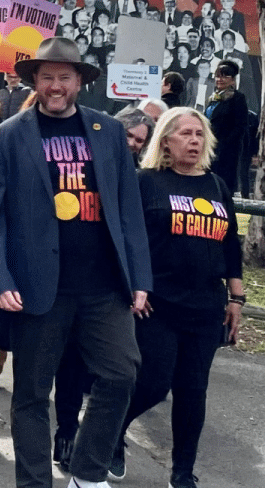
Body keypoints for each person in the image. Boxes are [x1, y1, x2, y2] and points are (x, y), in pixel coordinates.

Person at [0, 37, 151, 488]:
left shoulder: (108, 132)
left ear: (79, 82)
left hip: (103, 286)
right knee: (32, 395)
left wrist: (139, 278)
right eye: (48, 77)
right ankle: (34, 483)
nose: (56, 86)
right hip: (37, 288)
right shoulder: (7, 136)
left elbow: (128, 210)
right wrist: (0, 277)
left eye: (65, 77)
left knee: (120, 374)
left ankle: (88, 474)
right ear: (35, 80)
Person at [112, 107, 244, 486]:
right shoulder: (146, 181)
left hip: (206, 306)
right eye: (185, 133)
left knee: (192, 390)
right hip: (158, 304)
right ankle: (112, 431)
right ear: (166, 140)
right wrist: (135, 283)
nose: (194, 141)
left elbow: (230, 245)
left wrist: (236, 299)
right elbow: (126, 238)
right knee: (154, 382)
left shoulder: (217, 186)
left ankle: (183, 472)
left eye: (199, 135)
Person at [205, 60, 249, 194]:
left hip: (226, 152)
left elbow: (240, 127)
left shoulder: (237, 98)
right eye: (218, 76)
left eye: (225, 76)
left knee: (222, 188)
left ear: (233, 80)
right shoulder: (213, 98)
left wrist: (222, 146)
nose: (220, 79)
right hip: (209, 148)